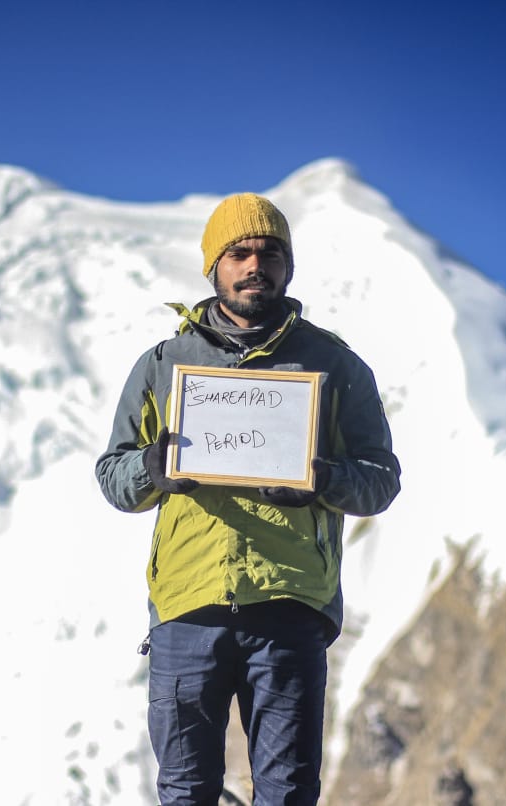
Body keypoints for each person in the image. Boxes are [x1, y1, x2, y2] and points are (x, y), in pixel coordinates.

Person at [95, 192, 401, 805]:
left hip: (290, 604)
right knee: (185, 790)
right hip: (188, 604)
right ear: (214, 265)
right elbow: (113, 475)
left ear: (288, 266)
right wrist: (153, 467)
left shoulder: (336, 367)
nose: (254, 264)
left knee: (286, 792)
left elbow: (380, 478)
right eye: (239, 252)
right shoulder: (162, 365)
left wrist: (321, 478)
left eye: (270, 253)